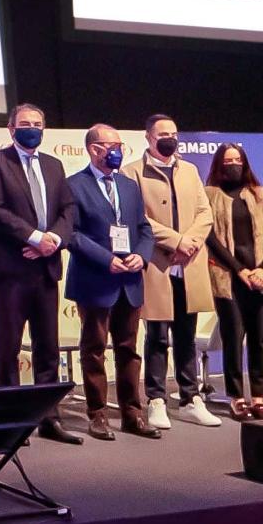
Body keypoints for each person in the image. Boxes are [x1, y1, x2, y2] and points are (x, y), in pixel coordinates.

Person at [0, 103, 80, 444]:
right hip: (9, 266)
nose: (32, 128)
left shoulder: (54, 164)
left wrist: (53, 240)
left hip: (46, 264)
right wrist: (34, 237)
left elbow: (68, 208)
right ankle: (9, 420)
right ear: (11, 128)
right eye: (25, 124)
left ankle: (48, 417)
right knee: (8, 345)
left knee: (47, 345)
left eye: (37, 123)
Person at [122, 114, 219, 430]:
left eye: (174, 133)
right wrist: (175, 240)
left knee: (187, 336)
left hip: (188, 266)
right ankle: (157, 400)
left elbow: (205, 212)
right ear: (149, 137)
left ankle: (191, 398)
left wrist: (190, 242)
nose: (170, 139)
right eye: (164, 134)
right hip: (158, 266)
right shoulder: (132, 173)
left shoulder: (189, 170)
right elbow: (138, 218)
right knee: (158, 336)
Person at [66, 124, 159, 441]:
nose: (118, 150)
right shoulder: (73, 185)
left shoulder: (129, 185)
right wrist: (107, 259)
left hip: (130, 281)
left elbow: (144, 229)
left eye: (120, 144)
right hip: (95, 280)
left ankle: (133, 413)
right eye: (113, 144)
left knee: (128, 350)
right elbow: (72, 234)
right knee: (94, 349)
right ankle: (98, 415)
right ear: (94, 149)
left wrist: (141, 256)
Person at [204, 143, 263, 421]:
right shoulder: (210, 195)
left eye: (237, 160)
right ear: (219, 165)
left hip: (260, 278)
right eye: (228, 161)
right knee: (233, 338)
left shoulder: (258, 193)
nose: (233, 165)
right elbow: (211, 239)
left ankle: (260, 395)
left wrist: (260, 270)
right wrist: (240, 270)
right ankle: (237, 396)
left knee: (260, 339)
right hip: (228, 277)